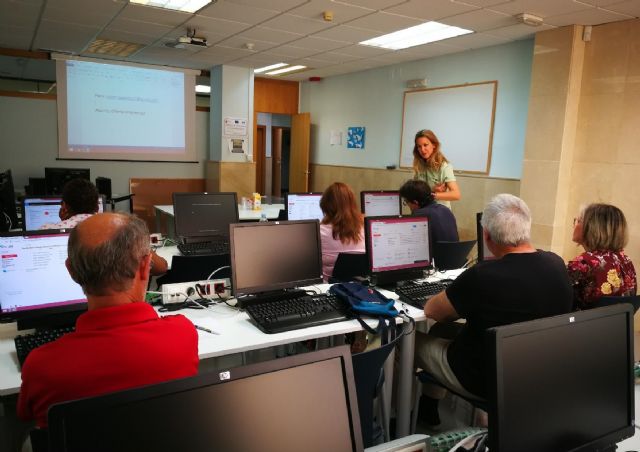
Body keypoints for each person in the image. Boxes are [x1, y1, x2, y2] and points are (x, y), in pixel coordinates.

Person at [18, 213, 199, 428]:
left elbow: (23, 415)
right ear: (145, 267)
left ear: (71, 271)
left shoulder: (41, 366)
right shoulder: (183, 334)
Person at [415, 194, 572, 423]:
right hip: (534, 374)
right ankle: (428, 410)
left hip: (480, 378)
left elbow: (433, 311)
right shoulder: (556, 264)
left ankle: (398, 421)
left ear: (486, 236)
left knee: (406, 340)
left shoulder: (482, 276)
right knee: (439, 330)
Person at [41, 178, 168, 274]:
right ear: (97, 206)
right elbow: (161, 267)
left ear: (65, 206)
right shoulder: (121, 230)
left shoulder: (44, 232)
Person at [567, 203, 637, 310]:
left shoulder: (583, 263)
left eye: (578, 221)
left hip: (585, 325)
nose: (574, 225)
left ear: (590, 227)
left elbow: (561, 304)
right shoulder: (626, 261)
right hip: (618, 325)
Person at [319, 182, 365, 282]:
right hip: (359, 285)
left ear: (325, 204)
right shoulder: (366, 227)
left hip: (326, 287)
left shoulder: (321, 232)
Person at [399, 179, 459, 243]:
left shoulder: (419, 216)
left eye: (406, 202)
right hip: (456, 252)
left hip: (436, 252)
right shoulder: (445, 209)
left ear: (415, 202)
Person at [412, 129, 460, 209]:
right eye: (419, 147)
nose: (422, 150)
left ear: (434, 145)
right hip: (422, 211)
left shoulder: (444, 166)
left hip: (439, 213)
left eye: (425, 145)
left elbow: (456, 195)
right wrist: (432, 190)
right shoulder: (419, 166)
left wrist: (432, 195)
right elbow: (416, 191)